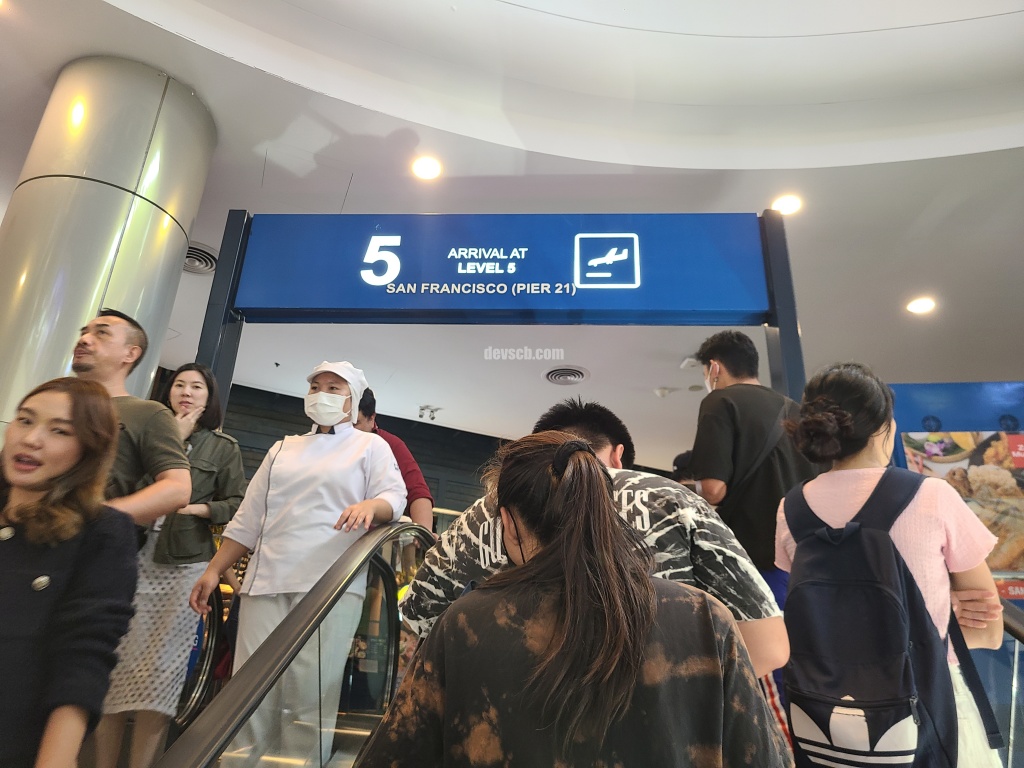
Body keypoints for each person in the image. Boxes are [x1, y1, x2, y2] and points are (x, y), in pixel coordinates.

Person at [356, 431, 790, 767]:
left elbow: (395, 755)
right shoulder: (703, 616)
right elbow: (765, 757)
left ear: (508, 523)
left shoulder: (465, 623)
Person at [401, 398, 789, 679]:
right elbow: (769, 647)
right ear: (617, 455)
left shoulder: (485, 511)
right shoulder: (673, 500)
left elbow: (414, 624)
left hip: (512, 730)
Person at [776, 362, 1005, 767]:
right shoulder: (931, 496)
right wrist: (936, 618)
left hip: (827, 713)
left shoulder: (790, 510)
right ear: (884, 425)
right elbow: (988, 631)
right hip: (926, 704)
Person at [190, 361, 406, 765]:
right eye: (316, 386)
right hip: (266, 582)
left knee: (309, 696)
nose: (322, 394)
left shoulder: (371, 447)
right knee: (247, 692)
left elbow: (395, 498)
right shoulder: (282, 448)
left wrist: (370, 506)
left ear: (353, 399)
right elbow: (248, 519)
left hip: (330, 588)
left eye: (334, 388)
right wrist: (214, 570)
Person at [100, 363, 247, 765]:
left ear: (209, 398)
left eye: (197, 387)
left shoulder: (224, 447)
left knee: (161, 677)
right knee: (112, 669)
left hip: (184, 565)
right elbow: (122, 485)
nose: (186, 392)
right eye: (179, 384)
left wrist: (195, 508)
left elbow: (236, 504)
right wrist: (174, 439)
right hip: (130, 556)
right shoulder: (145, 431)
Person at [73, 309, 193, 768]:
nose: (86, 339)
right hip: (27, 555)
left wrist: (100, 518)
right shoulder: (55, 400)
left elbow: (177, 489)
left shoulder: (146, 414)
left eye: (101, 333)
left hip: (92, 565)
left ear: (131, 353)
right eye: (84, 331)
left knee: (73, 677)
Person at [0, 378, 138, 768]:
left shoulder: (103, 532)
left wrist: (56, 759)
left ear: (88, 450)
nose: (31, 439)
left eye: (59, 431)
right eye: (25, 420)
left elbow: (84, 657)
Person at [690, 330, 819, 607]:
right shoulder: (796, 411)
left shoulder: (720, 401)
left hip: (755, 558)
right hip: (803, 556)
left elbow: (713, 490)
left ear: (714, 368)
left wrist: (686, 489)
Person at [355, 387, 434, 532]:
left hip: (367, 538)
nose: (349, 430)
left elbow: (417, 491)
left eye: (355, 424)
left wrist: (424, 534)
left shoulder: (389, 444)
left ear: (372, 418)